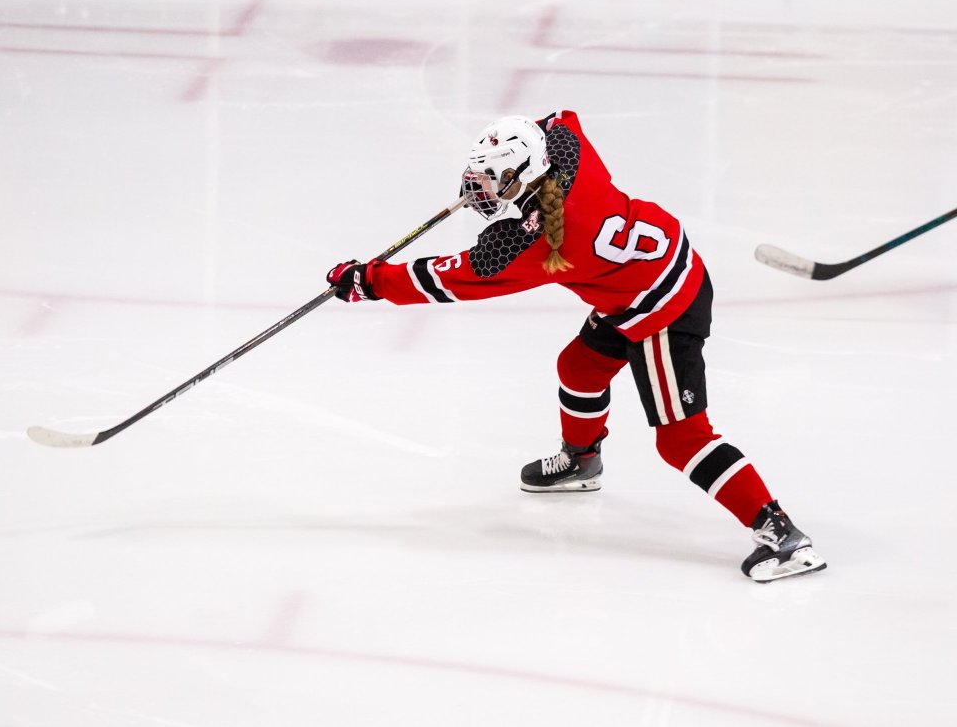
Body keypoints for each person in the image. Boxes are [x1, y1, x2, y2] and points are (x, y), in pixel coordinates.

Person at [326, 112, 826, 583]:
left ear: (525, 174)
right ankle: (581, 462)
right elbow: (559, 118)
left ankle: (783, 536)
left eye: (491, 178)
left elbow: (449, 278)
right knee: (580, 367)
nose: (479, 187)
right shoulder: (567, 151)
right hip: (644, 276)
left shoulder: (539, 242)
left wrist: (370, 281)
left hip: (663, 307)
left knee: (681, 439)